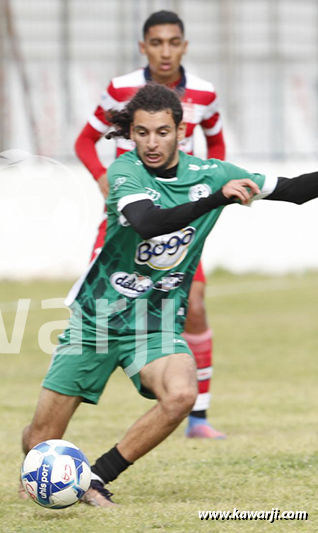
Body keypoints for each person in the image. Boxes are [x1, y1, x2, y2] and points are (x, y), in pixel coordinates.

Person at [22, 83, 318, 507]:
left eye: (162, 131)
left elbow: (295, 191)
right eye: (142, 132)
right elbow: (148, 223)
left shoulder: (212, 173)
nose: (152, 142)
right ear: (132, 134)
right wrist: (218, 199)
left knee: (181, 394)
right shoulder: (126, 172)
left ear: (181, 130)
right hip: (99, 318)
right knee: (40, 438)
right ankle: (36, 473)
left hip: (155, 321)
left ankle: (97, 478)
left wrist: (220, 190)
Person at [75, 10, 225, 438]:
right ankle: (66, 400)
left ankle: (197, 417)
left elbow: (215, 141)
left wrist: (210, 187)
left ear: (184, 46)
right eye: (156, 43)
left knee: (194, 306)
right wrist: (107, 183)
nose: (165, 51)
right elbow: (85, 140)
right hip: (129, 220)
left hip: (179, 222)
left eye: (172, 42)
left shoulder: (204, 93)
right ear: (143, 47)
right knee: (99, 311)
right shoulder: (120, 89)